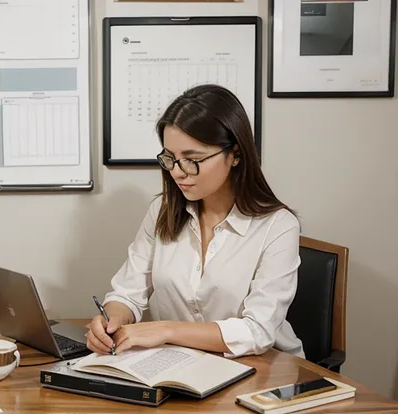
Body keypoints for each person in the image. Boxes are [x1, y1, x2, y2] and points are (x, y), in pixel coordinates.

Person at [87, 84, 305, 359]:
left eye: (193, 159)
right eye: (170, 158)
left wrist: (165, 330)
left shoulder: (278, 226)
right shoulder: (162, 211)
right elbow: (127, 293)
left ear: (235, 154)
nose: (178, 172)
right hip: (181, 366)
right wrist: (111, 321)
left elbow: (256, 331)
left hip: (264, 370)